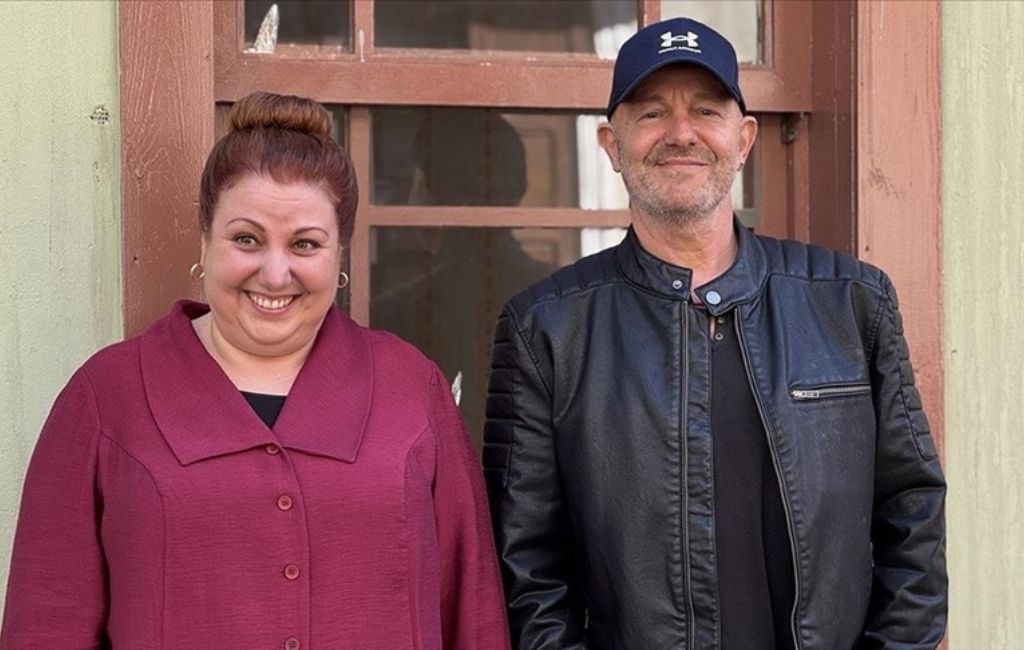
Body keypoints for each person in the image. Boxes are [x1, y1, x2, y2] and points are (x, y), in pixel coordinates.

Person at [483, 17, 947, 650]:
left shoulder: (850, 302)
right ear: (612, 145)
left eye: (706, 110)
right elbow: (525, 569)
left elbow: (912, 510)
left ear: (744, 138)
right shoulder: (547, 328)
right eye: (652, 113)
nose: (681, 133)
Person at [1, 92, 509, 650]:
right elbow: (46, 623)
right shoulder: (107, 396)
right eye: (247, 239)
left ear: (339, 256)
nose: (275, 273)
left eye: (305, 244)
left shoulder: (410, 390)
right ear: (204, 239)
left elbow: (474, 616)